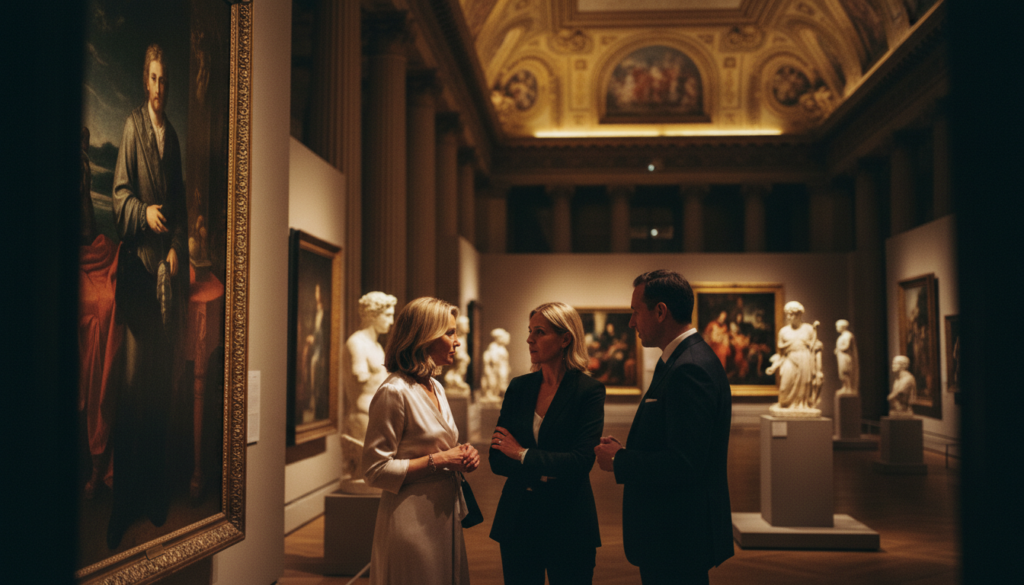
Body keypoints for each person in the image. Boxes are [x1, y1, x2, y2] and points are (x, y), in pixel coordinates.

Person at [595, 270, 733, 585]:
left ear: (660, 312)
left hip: (677, 534)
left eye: (635, 312)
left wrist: (620, 460)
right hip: (675, 532)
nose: (631, 323)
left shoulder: (690, 368)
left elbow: (685, 463)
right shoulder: (684, 359)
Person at [108, 43, 189, 550]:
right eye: (153, 79)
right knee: (134, 391)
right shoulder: (132, 127)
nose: (159, 88)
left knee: (161, 388)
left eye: (165, 80)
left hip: (167, 277)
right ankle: (125, 503)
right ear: (145, 80)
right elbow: (118, 196)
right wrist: (144, 214)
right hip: (139, 277)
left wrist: (178, 246)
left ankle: (156, 494)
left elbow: (178, 201)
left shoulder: (172, 136)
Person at [361, 297, 481, 585]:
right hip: (411, 519)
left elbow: (441, 444)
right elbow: (374, 470)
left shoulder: (436, 387)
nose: (457, 342)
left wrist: (463, 454)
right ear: (423, 337)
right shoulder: (395, 391)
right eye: (450, 333)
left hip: (443, 513)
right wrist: (441, 460)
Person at [489, 302, 606, 585]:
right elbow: (497, 458)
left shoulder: (588, 392)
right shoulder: (519, 387)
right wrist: (548, 467)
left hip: (569, 520)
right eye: (530, 331)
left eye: (539, 332)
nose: (530, 339)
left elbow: (580, 462)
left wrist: (522, 454)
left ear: (566, 338)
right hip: (518, 518)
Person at [766, 301, 823, 412]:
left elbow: (817, 349)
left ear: (799, 315)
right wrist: (774, 366)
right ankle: (786, 404)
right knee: (784, 389)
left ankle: (800, 405)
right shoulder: (783, 331)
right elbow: (781, 354)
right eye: (787, 314)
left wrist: (819, 370)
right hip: (790, 360)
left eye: (791, 314)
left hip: (805, 360)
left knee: (804, 386)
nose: (788, 317)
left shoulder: (809, 329)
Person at [834, 319, 859, 395]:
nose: (836, 328)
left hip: (846, 357)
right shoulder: (842, 336)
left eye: (837, 326)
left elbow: (846, 346)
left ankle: (849, 388)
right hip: (841, 357)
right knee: (842, 373)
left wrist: (838, 349)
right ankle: (844, 387)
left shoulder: (848, 335)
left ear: (843, 327)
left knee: (846, 372)